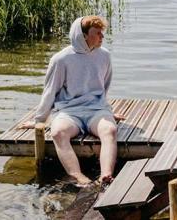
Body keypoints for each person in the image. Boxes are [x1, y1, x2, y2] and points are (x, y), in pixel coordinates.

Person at [19, 16, 123, 186]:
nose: (102, 37)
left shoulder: (104, 55)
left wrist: (108, 112)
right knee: (58, 133)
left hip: (96, 109)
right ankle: (78, 176)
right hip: (68, 112)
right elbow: (50, 91)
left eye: (102, 33)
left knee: (110, 130)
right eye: (97, 33)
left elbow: (105, 85)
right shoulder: (61, 59)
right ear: (83, 36)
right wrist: (39, 121)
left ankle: (106, 175)